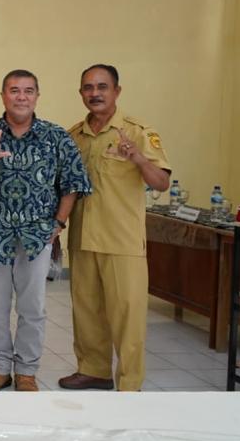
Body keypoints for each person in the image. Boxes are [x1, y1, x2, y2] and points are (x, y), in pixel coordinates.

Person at [0, 69, 91, 392]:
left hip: (36, 237)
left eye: (28, 91)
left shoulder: (56, 136)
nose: (21, 97)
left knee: (33, 308)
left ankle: (27, 371)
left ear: (37, 96)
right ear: (3, 95)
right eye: (14, 90)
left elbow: (73, 183)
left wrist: (59, 223)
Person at [59, 64, 170, 392]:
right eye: (88, 88)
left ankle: (129, 382)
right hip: (82, 237)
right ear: (81, 93)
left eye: (102, 87)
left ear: (116, 92)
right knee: (86, 311)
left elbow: (161, 182)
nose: (95, 93)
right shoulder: (73, 135)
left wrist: (138, 158)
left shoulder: (136, 132)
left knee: (128, 316)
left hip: (122, 240)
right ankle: (94, 370)